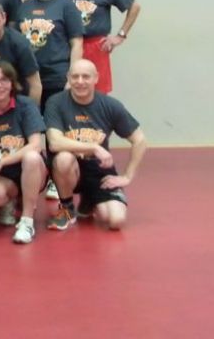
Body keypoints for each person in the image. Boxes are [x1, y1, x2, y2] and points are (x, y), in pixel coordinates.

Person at [45, 59, 149, 230]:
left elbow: (140, 140)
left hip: (99, 171)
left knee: (115, 221)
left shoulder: (110, 105)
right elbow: (55, 143)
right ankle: (67, 208)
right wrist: (94, 147)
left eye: (86, 77)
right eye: (75, 77)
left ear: (96, 78)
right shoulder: (56, 102)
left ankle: (89, 199)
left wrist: (127, 176)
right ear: (68, 78)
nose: (80, 82)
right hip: (70, 170)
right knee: (63, 158)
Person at [0, 61, 48, 244]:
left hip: (33, 171)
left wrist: (2, 162)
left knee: (31, 157)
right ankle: (9, 201)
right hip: (3, 177)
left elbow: (36, 145)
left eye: (4, 80)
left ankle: (27, 222)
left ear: (13, 83)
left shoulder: (26, 106)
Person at [16, 0, 83, 111]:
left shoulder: (66, 6)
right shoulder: (24, 7)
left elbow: (77, 43)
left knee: (55, 122)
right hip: (29, 78)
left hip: (56, 78)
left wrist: (72, 78)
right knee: (31, 121)